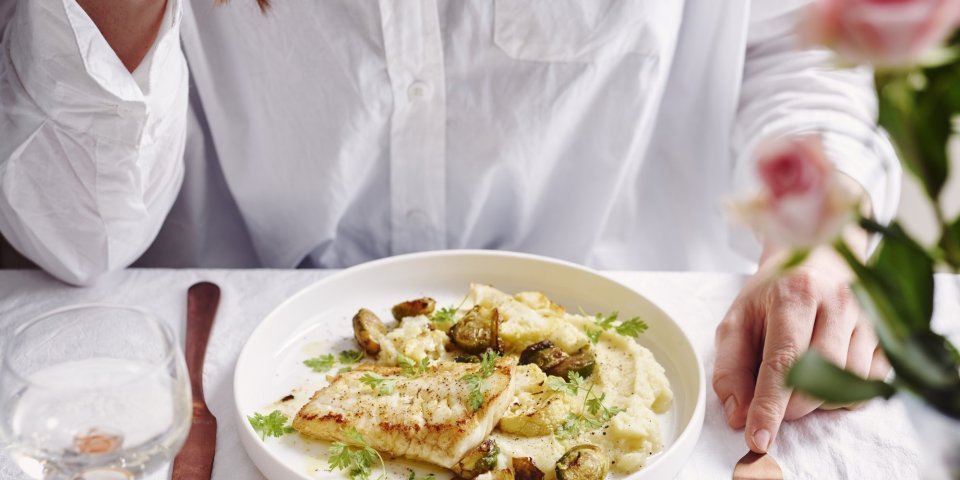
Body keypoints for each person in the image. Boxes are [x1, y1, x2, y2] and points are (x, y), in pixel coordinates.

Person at [0, 0, 898, 455]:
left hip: (660, 382)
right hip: (231, 391)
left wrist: (818, 236)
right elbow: (75, 235)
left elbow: (800, 41)